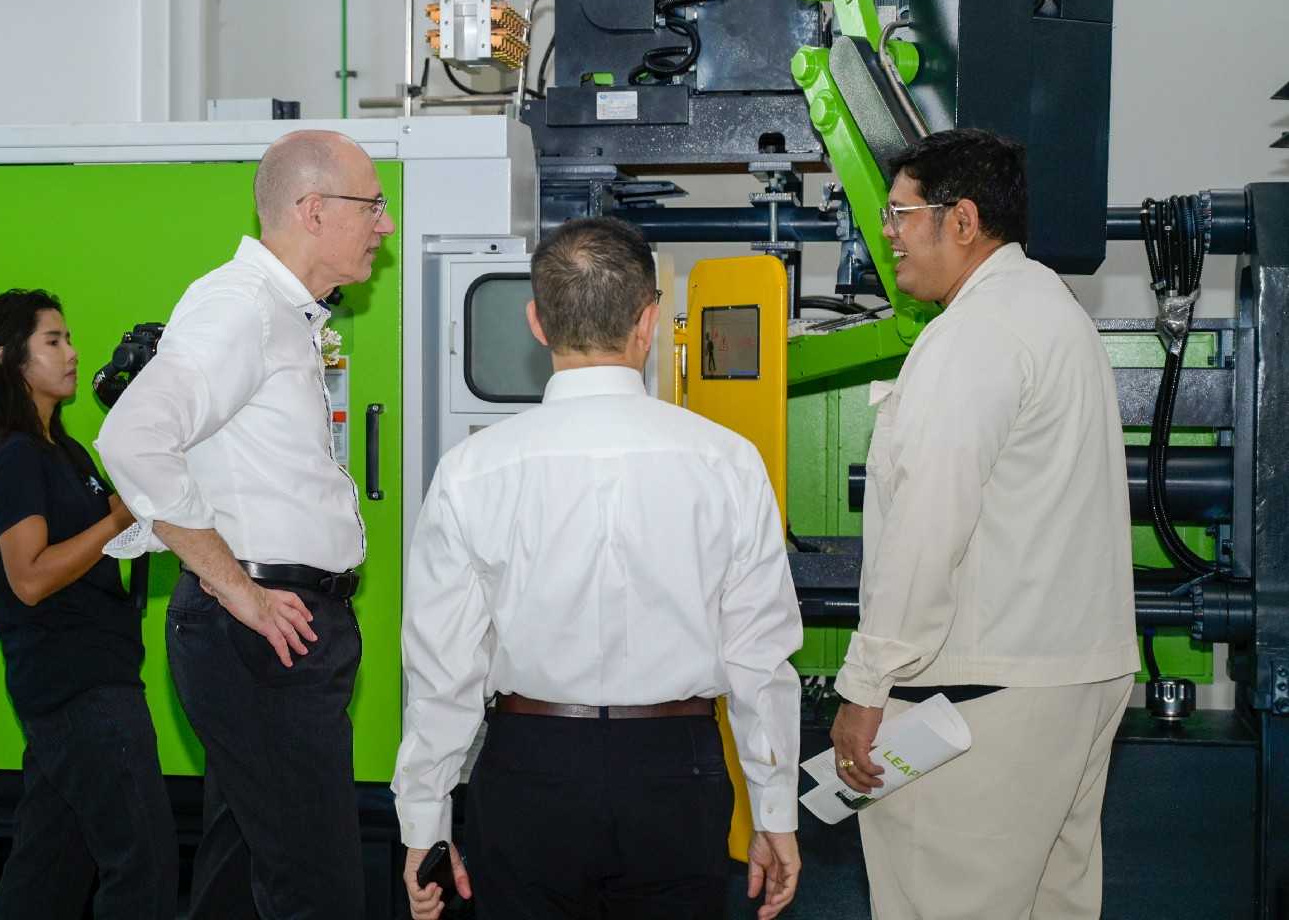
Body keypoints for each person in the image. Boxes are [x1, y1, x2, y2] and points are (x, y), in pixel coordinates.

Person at [393, 216, 804, 920]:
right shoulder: (727, 462)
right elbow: (758, 657)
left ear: (536, 322)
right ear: (649, 321)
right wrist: (775, 812)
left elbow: (442, 669)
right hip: (677, 769)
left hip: (529, 764)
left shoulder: (471, 470)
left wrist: (424, 824)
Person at [828, 129, 1138, 919]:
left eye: (901, 214)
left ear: (961, 220)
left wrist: (865, 684)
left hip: (981, 701)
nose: (888, 234)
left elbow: (927, 525)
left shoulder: (971, 335)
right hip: (1071, 681)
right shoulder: (1054, 312)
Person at [96, 129, 396, 920]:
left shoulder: (282, 314)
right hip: (261, 633)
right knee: (318, 889)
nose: (386, 224)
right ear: (313, 209)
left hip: (274, 632)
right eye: (373, 206)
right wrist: (236, 588)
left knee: (240, 879)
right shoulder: (241, 306)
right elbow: (133, 438)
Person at [0, 289, 176, 917]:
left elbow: (125, 518)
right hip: (80, 686)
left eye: (69, 338)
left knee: (48, 874)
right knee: (144, 867)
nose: (73, 353)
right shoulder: (14, 457)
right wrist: (115, 522)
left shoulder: (64, 452)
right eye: (52, 341)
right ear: (8, 359)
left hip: (84, 679)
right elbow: (29, 577)